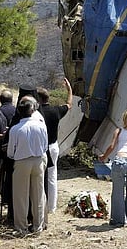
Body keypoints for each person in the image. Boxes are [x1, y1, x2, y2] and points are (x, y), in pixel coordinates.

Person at [7, 95, 48, 235]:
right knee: (38, 194)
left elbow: (10, 152)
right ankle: (38, 226)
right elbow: (45, 146)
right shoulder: (41, 125)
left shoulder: (16, 129)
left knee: (20, 196)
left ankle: (21, 228)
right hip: (38, 160)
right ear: (32, 110)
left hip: (22, 162)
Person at [37, 77, 73, 213]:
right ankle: (52, 207)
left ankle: (40, 204)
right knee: (52, 176)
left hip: (40, 148)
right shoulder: (55, 111)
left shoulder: (35, 113)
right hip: (53, 147)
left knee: (38, 177)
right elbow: (69, 104)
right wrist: (69, 89)